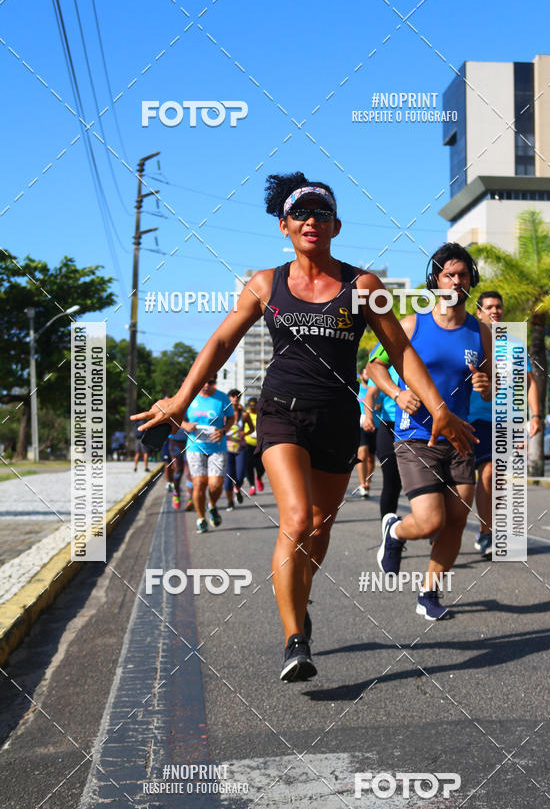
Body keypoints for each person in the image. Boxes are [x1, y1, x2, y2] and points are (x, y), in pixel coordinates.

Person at [132, 172, 476, 681]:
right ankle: (296, 640)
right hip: (280, 413)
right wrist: (182, 398)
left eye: (320, 213)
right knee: (294, 520)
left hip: (336, 419)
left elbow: (401, 352)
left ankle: (299, 598)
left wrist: (438, 407)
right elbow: (222, 341)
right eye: (300, 214)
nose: (311, 221)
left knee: (317, 529)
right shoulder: (264, 283)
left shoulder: (364, 286)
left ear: (336, 225)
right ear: (284, 227)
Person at [372, 242, 492, 620]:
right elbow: (373, 367)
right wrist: (396, 391)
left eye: (463, 275)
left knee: (456, 522)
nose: (457, 281)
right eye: (449, 275)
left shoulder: (481, 331)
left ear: (472, 279)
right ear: (435, 280)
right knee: (430, 521)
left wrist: (489, 385)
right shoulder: (413, 324)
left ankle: (429, 593)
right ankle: (394, 533)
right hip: (416, 436)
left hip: (461, 437)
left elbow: (492, 378)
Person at [469, 291, 542, 555]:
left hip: (504, 418)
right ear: (479, 312)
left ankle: (486, 532)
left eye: (498, 307)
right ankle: (449, 523)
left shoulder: (514, 344)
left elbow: (530, 382)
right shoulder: (470, 340)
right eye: (488, 307)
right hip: (470, 417)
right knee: (468, 478)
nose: (495, 311)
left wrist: (535, 415)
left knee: (494, 474)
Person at [181, 377, 234, 533]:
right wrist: (185, 425)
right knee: (199, 483)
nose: (206, 385)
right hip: (195, 447)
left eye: (210, 382)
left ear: (214, 383)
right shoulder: (189, 396)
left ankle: (211, 505)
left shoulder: (223, 398)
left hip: (217, 446)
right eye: (203, 381)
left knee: (216, 484)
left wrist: (223, 430)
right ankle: (201, 518)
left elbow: (231, 418)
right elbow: (177, 416)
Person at [363, 351, 402, 518]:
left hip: (417, 426)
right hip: (389, 425)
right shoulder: (382, 365)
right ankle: (387, 535)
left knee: (428, 482)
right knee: (392, 481)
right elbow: (371, 394)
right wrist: (369, 416)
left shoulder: (418, 358)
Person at [224, 389, 255, 510]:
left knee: (240, 476)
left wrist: (245, 433)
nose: (235, 399)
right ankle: (230, 501)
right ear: (229, 398)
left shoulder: (244, 414)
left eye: (238, 396)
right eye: (233, 396)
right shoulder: (224, 414)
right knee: (227, 480)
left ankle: (237, 489)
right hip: (226, 449)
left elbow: (252, 428)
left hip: (241, 448)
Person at [356, 366, 379, 497]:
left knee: (371, 458)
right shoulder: (357, 389)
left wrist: (378, 405)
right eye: (365, 373)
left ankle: (367, 481)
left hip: (375, 425)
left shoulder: (375, 389)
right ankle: (362, 483)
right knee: (362, 454)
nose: (368, 375)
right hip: (359, 426)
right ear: (361, 375)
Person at [244, 397, 265, 494]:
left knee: (261, 466)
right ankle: (252, 486)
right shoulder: (245, 414)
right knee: (249, 466)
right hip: (248, 444)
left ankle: (259, 477)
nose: (252, 408)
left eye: (254, 407)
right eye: (250, 407)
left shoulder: (261, 414)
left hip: (260, 444)